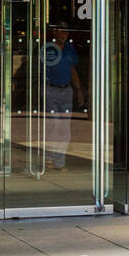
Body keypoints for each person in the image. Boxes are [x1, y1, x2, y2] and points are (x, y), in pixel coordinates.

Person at [43, 26, 82, 171]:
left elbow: (72, 69)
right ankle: (49, 157)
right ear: (55, 32)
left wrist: (78, 90)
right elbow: (42, 67)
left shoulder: (70, 48)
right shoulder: (48, 48)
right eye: (62, 31)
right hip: (51, 89)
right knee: (54, 124)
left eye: (67, 31)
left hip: (66, 90)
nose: (65, 34)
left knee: (65, 128)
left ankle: (59, 162)